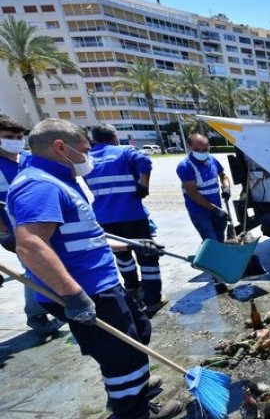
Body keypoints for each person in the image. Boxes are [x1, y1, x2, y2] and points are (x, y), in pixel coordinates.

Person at [8, 118, 182, 418]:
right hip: (86, 290)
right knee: (121, 355)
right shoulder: (39, 186)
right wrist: (73, 295)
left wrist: (132, 245)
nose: (89, 157)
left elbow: (83, 239)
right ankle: (133, 410)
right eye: (85, 150)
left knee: (137, 332)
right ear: (61, 147)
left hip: (102, 283)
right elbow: (30, 245)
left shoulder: (59, 180)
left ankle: (134, 386)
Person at [83, 124, 167, 316]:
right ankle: (153, 299)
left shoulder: (87, 159)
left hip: (104, 217)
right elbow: (145, 162)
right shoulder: (124, 151)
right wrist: (143, 184)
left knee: (122, 256)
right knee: (147, 254)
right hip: (132, 215)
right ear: (114, 136)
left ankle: (132, 289)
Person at [0, 114, 66, 334]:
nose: (16, 140)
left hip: (46, 223)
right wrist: (3, 233)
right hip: (17, 231)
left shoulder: (27, 158)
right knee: (35, 269)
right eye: (9, 136)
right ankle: (37, 314)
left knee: (52, 265)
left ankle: (53, 304)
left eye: (19, 136)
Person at [176, 133, 231, 292]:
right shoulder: (185, 166)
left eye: (205, 148)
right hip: (200, 212)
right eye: (197, 149)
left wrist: (226, 187)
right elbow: (193, 194)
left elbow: (223, 175)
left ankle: (217, 267)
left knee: (219, 241)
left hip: (217, 209)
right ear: (189, 147)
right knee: (211, 242)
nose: (202, 151)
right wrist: (215, 209)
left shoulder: (212, 160)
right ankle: (218, 278)